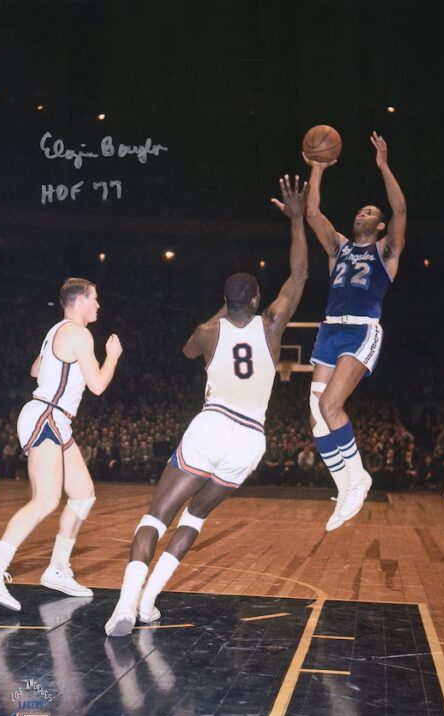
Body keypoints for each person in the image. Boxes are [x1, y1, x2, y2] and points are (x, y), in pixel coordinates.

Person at [105, 174, 308, 636]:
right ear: (256, 300)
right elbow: (299, 275)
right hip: (250, 440)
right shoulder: (272, 325)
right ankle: (150, 603)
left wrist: (221, 309)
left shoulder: (207, 332)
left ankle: (124, 605)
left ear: (224, 301)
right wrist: (296, 220)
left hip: (211, 426)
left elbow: (186, 353)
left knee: (154, 517)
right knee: (194, 519)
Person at [0, 278, 123, 611]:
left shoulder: (57, 331)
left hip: (55, 418)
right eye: (95, 299)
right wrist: (113, 356)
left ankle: (57, 569)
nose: (98, 305)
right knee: (46, 499)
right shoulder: (78, 334)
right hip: (47, 415)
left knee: (83, 495)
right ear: (79, 301)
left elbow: (37, 368)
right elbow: (97, 386)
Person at [303, 131, 407, 530]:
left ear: (379, 226)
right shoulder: (339, 248)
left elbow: (400, 208)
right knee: (315, 416)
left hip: (361, 332)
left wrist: (383, 166)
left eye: (369, 212)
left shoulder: (386, 252)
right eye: (360, 211)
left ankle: (359, 478)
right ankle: (346, 483)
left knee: (330, 405)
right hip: (329, 331)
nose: (361, 214)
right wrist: (316, 169)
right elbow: (313, 214)